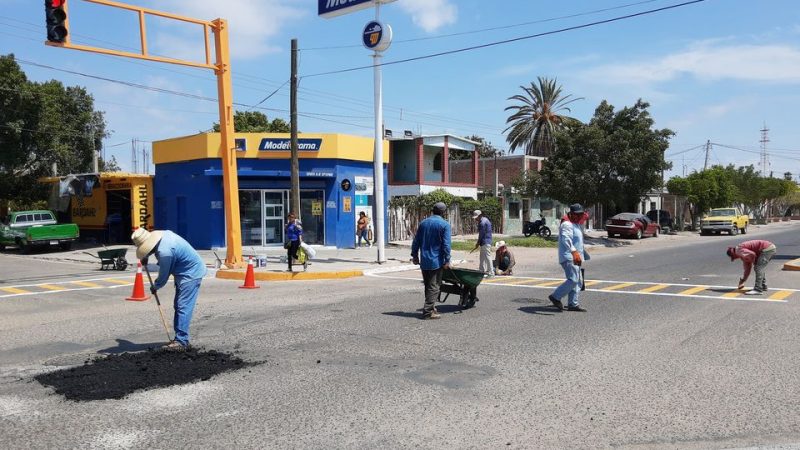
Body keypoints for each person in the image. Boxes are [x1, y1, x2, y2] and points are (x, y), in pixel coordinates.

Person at [131, 227, 206, 350]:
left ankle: (181, 341)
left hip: (191, 274)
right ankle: (180, 338)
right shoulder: (164, 236)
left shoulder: (165, 252)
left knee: (182, 306)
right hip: (183, 271)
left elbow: (164, 275)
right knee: (178, 305)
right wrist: (146, 256)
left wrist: (155, 286)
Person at [411, 202, 452, 320]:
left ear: (433, 210)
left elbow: (416, 241)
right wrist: (447, 260)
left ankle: (431, 307)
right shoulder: (444, 225)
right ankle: (428, 311)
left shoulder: (423, 223)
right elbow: (446, 245)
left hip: (424, 260)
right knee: (434, 287)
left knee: (428, 286)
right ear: (443, 212)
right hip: (436, 260)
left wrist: (414, 255)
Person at [549, 203, 591, 312]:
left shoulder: (576, 224)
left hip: (576, 257)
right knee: (573, 279)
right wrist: (573, 252)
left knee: (578, 281)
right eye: (577, 214)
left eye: (580, 214)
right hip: (569, 257)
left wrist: (582, 254)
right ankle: (555, 296)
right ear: (571, 214)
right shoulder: (567, 224)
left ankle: (573, 304)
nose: (579, 216)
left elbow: (578, 242)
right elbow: (566, 239)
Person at [472, 210, 493, 277]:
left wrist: (477, 243)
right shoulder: (485, 220)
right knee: (482, 257)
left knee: (487, 257)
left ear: (480, 215)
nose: (475, 219)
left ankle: (491, 272)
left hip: (485, 241)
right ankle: (481, 271)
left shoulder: (482, 223)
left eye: (476, 217)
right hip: (485, 241)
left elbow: (481, 234)